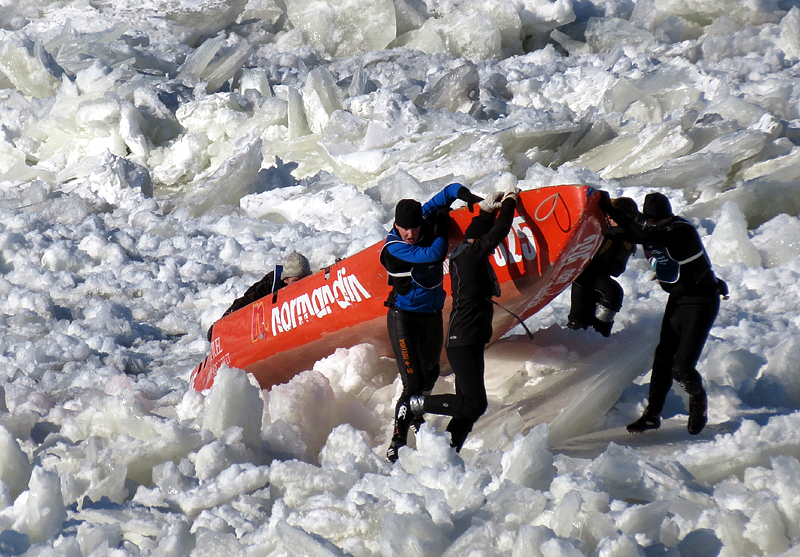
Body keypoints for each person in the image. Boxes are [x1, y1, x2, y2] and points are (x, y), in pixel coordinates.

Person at [599, 191, 728, 435]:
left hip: (701, 304)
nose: (652, 225)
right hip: (678, 300)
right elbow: (627, 231)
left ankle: (698, 400)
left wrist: (611, 209)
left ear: (668, 218)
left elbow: (644, 234)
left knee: (681, 369)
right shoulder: (650, 226)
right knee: (662, 359)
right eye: (649, 221)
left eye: (657, 222)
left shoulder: (681, 230)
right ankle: (652, 415)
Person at [407, 188, 519, 452]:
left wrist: (484, 212)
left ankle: (448, 452)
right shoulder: (472, 254)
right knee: (474, 404)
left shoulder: (464, 253)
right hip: (464, 340)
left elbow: (478, 233)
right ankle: (416, 404)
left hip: (468, 338)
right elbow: (500, 230)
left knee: (467, 409)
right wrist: (511, 202)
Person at [380, 183, 483, 463]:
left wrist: (464, 196)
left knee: (431, 373)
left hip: (431, 316)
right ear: (396, 226)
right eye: (405, 229)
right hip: (404, 318)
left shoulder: (421, 220)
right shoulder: (394, 247)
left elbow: (445, 193)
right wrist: (440, 228)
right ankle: (397, 440)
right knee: (412, 381)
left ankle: (415, 416)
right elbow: (434, 254)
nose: (410, 234)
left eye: (414, 228)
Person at [567, 197, 640, 337]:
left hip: (601, 273)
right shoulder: (596, 226)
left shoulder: (629, 232)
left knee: (610, 295)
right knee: (611, 294)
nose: (620, 224)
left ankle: (598, 336)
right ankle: (598, 336)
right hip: (584, 274)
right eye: (616, 219)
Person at [207, 251, 312, 340]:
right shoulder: (270, 283)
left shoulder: (313, 284)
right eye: (296, 280)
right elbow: (245, 301)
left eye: (304, 279)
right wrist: (219, 327)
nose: (300, 284)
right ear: (286, 279)